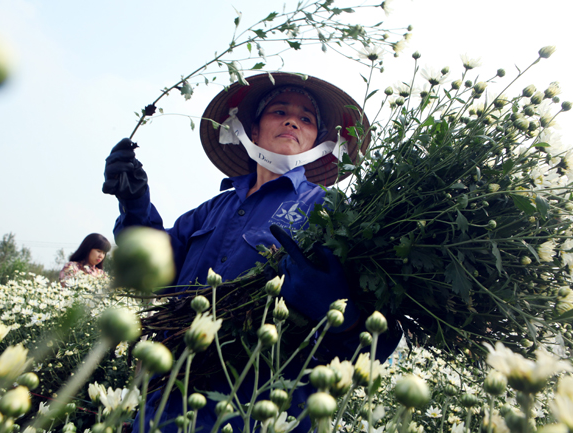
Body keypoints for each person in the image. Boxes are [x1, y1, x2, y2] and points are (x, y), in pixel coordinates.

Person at [103, 73, 401, 432]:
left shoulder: (332, 212)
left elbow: (379, 338)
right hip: (164, 407)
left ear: (319, 141)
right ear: (252, 130)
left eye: (306, 118)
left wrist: (344, 314)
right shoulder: (211, 210)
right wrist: (135, 204)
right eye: (279, 111)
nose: (292, 121)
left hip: (258, 411)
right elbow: (154, 268)